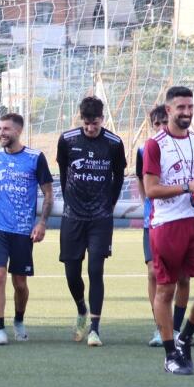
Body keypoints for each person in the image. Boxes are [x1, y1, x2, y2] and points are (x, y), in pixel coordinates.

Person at [141, 86, 194, 375]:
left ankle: (185, 338)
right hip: (166, 226)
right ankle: (169, 354)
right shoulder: (155, 145)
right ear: (168, 111)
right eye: (181, 108)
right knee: (165, 290)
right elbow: (151, 189)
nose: (187, 113)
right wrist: (186, 186)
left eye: (190, 107)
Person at [0, 113, 54, 346]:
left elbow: (48, 193)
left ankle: (18, 320)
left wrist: (42, 223)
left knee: (20, 283)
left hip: (22, 230)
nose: (1, 133)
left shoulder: (35, 157)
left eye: (6, 129)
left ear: (18, 131)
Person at [55, 96, 126, 347]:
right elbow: (64, 171)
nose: (90, 128)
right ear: (80, 119)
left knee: (96, 270)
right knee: (72, 272)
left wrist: (110, 203)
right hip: (73, 216)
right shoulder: (67, 139)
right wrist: (69, 199)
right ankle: (81, 309)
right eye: (86, 123)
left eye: (94, 123)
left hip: (100, 218)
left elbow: (119, 176)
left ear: (102, 119)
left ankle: (95, 328)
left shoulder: (114, 143)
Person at [139, 104, 190, 348]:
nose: (160, 128)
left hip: (182, 220)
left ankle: (177, 327)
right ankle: (161, 326)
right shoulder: (146, 149)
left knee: (183, 277)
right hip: (155, 223)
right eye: (156, 124)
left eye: (163, 123)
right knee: (153, 273)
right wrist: (148, 205)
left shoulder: (188, 146)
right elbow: (143, 183)